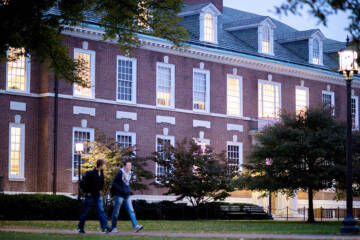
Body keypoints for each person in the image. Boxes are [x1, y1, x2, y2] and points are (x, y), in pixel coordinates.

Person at [78, 159, 110, 234]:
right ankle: (80, 228)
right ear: (100, 165)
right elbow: (82, 183)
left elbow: (101, 183)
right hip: (90, 196)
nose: (105, 166)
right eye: (104, 164)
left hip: (97, 196)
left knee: (101, 211)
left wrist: (100, 190)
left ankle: (105, 228)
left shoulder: (101, 173)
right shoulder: (91, 173)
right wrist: (87, 191)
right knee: (85, 212)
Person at [110, 160, 143, 233]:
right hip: (119, 195)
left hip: (127, 195)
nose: (130, 167)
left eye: (130, 165)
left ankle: (135, 226)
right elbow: (114, 183)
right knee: (116, 212)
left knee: (131, 210)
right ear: (124, 166)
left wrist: (128, 190)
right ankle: (113, 227)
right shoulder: (120, 173)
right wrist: (121, 190)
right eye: (128, 165)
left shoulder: (130, 173)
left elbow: (127, 183)